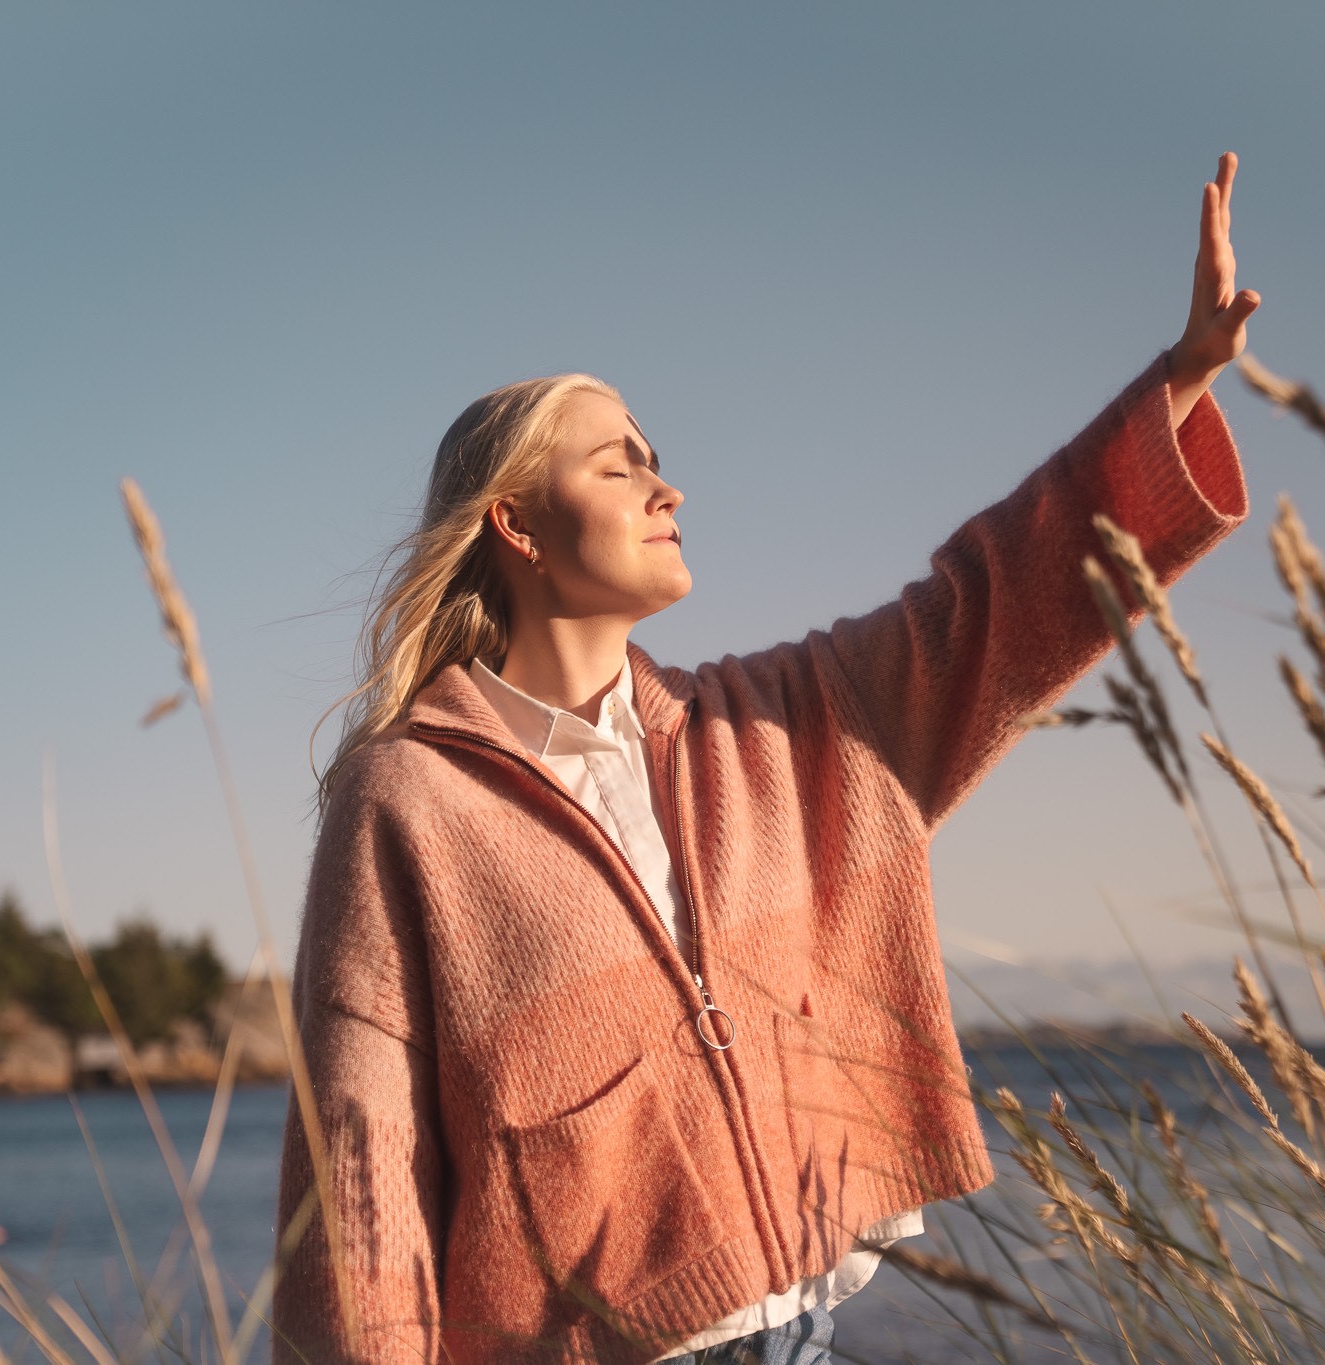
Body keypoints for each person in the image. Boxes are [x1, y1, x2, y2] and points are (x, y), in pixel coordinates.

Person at [273, 152, 1259, 1364]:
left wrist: (1177, 384)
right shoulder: (407, 797)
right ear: (515, 525)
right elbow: (361, 1168)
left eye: (653, 450)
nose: (664, 483)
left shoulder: (772, 724)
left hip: (803, 1331)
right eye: (616, 462)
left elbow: (991, 607)